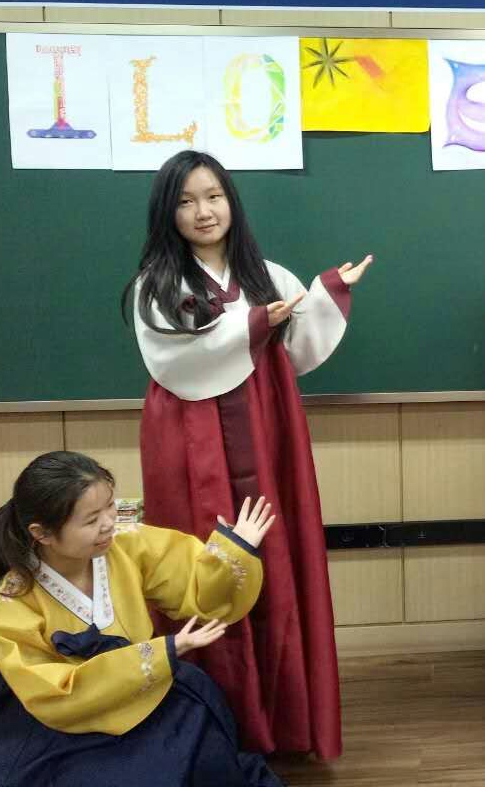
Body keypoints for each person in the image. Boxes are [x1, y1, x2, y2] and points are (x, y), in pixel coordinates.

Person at [123, 149, 371, 759]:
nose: (203, 211)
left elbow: (298, 345)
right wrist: (255, 325)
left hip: (265, 428)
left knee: (278, 553)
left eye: (213, 196)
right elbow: (179, 360)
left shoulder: (266, 274)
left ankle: (286, 721)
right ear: (167, 212)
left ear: (231, 201)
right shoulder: (156, 286)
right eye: (186, 201)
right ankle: (212, 723)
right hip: (192, 437)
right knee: (203, 558)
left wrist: (328, 292)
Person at [0, 451, 281, 786]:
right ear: (42, 533)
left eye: (110, 506)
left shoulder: (127, 546)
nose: (108, 524)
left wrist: (234, 550)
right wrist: (163, 652)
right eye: (91, 520)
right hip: (53, 718)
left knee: (199, 754)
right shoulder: (10, 603)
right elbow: (53, 694)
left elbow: (197, 588)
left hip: (140, 693)